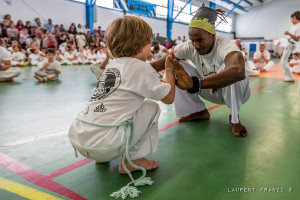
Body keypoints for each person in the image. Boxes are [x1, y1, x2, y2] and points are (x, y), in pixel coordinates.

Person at [68, 16, 177, 197]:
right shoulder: (141, 68)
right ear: (143, 45)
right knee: (152, 107)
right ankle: (133, 160)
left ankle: (99, 159)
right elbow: (169, 98)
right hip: (106, 145)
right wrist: (170, 68)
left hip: (81, 138)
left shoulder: (113, 65)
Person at [151, 4, 250, 137]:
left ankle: (234, 118)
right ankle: (198, 111)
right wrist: (129, 68)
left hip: (236, 93)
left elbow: (238, 71)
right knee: (173, 62)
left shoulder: (225, 45)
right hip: (210, 90)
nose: (196, 45)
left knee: (231, 70)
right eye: (192, 40)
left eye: (200, 40)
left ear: (212, 34)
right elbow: (158, 65)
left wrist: (196, 84)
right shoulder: (189, 47)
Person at [280, 11, 300, 82]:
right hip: (289, 43)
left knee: (283, 61)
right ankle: (289, 77)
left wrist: (288, 33)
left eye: (291, 19)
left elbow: (297, 39)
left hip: (291, 44)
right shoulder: (295, 26)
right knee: (283, 61)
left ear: (294, 17)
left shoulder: (298, 26)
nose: (291, 21)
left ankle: (289, 77)